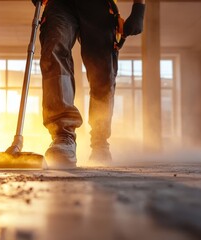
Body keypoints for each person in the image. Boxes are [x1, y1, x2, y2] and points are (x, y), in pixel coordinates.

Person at [32, 0, 145, 168]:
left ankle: (100, 142)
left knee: (103, 72)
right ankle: (63, 135)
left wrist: (139, 8)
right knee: (54, 49)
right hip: (60, 3)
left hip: (99, 4)